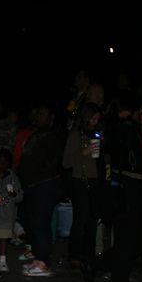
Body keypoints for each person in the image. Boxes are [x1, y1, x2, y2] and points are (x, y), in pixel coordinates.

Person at [83, 91, 142, 282]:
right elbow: (140, 166)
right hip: (127, 192)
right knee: (131, 243)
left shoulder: (118, 129)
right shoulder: (127, 129)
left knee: (133, 243)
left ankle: (97, 265)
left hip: (124, 191)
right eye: (141, 111)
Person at [17, 103, 66, 276]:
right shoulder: (38, 133)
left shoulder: (55, 134)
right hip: (33, 184)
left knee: (40, 223)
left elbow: (54, 161)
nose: (39, 117)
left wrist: (33, 173)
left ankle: (44, 263)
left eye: (42, 114)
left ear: (52, 116)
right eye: (37, 114)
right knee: (33, 222)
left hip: (45, 184)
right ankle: (40, 258)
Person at [63, 102, 102, 268]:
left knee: (92, 221)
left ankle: (88, 256)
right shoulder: (75, 135)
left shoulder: (93, 134)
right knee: (80, 219)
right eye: (93, 118)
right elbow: (66, 163)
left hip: (94, 181)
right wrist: (85, 152)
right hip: (80, 181)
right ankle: (74, 255)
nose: (95, 121)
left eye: (97, 119)